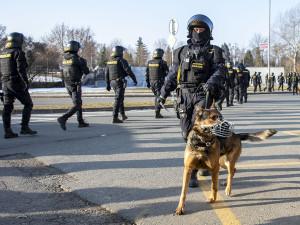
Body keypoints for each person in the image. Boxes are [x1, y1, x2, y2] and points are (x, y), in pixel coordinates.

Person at [157, 14, 226, 187]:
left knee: (201, 134)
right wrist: (162, 93)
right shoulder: (181, 51)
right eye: (195, 29)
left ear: (208, 31)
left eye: (201, 29)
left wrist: (211, 83)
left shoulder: (214, 51)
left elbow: (220, 71)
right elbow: (173, 74)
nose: (198, 32)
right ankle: (197, 163)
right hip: (184, 96)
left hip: (204, 95)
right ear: (190, 30)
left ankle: (197, 169)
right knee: (186, 133)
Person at [0, 32, 37, 139]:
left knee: (7, 107)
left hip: (5, 83)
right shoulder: (18, 53)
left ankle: (8, 131)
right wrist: (26, 82)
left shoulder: (2, 53)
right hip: (15, 82)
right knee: (28, 104)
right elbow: (21, 69)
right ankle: (24, 127)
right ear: (18, 41)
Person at [57, 41, 90, 130]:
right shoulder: (78, 59)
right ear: (76, 48)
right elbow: (87, 72)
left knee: (78, 103)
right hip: (75, 84)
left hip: (67, 84)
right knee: (77, 104)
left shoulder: (64, 59)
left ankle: (80, 122)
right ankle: (63, 118)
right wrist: (84, 64)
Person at [105, 46, 138, 123]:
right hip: (119, 82)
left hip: (112, 82)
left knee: (120, 98)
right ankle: (114, 117)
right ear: (119, 52)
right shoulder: (121, 60)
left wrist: (107, 84)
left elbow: (106, 73)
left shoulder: (109, 62)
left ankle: (123, 115)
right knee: (118, 99)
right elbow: (128, 70)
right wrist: (134, 79)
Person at [145, 49, 169, 118]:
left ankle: (157, 111)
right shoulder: (162, 62)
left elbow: (147, 73)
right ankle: (157, 112)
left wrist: (147, 82)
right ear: (161, 54)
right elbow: (167, 73)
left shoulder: (149, 62)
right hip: (159, 82)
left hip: (152, 81)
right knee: (159, 97)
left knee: (157, 96)